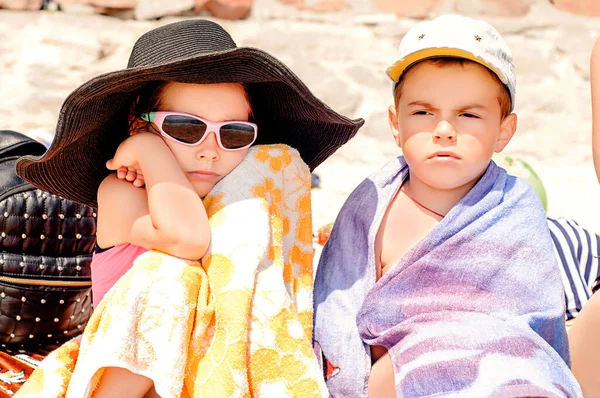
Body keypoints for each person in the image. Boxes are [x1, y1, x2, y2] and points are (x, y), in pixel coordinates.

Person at [14, 19, 362, 397]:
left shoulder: (239, 199)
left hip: (211, 369)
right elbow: (189, 239)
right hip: (131, 378)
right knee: (172, 275)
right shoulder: (122, 191)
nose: (210, 149)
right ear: (138, 120)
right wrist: (149, 150)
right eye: (184, 127)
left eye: (233, 133)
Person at [313, 14, 582, 397]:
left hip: (501, 368)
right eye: (423, 113)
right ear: (396, 123)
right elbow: (338, 303)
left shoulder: (513, 208)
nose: (443, 130)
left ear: (503, 131)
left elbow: (533, 320)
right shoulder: (371, 204)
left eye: (468, 115)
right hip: (400, 370)